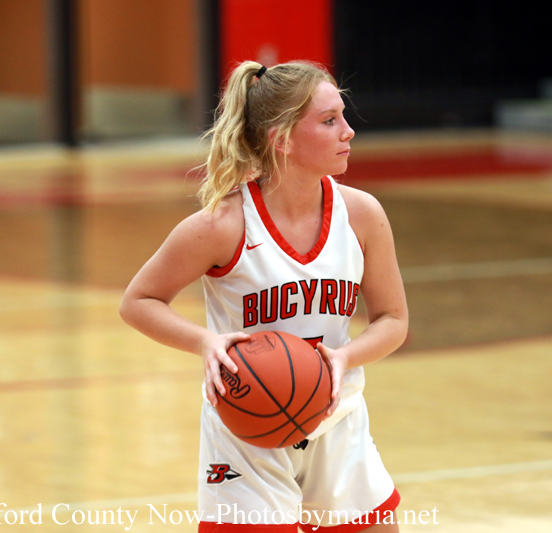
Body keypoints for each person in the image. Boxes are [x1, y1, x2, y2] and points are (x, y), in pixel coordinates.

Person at [120, 60, 409, 533]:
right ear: (283, 140)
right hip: (246, 434)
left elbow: (393, 319)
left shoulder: (362, 215)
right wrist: (205, 342)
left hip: (338, 420)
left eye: (343, 115)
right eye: (329, 120)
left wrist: (344, 357)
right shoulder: (222, 225)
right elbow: (138, 301)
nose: (349, 131)